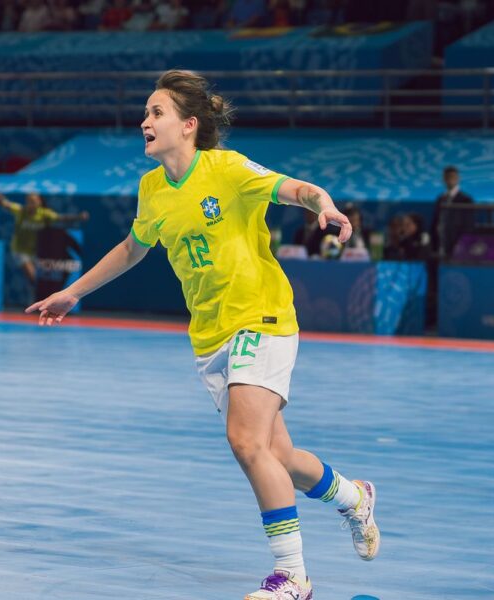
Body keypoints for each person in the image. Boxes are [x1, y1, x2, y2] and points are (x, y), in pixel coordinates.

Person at [27, 69, 379, 599]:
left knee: (244, 441)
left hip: (261, 315)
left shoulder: (228, 169)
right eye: (145, 113)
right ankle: (354, 497)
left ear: (189, 125)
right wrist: (73, 292)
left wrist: (324, 205)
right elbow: (131, 249)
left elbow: (297, 189)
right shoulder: (152, 189)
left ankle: (292, 577)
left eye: (156, 113)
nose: (144, 121)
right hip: (210, 335)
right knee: (276, 457)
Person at [0, 187, 89, 286]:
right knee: (33, 276)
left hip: (36, 251)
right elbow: (4, 203)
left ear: (39, 202)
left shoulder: (45, 214)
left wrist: (79, 217)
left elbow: (61, 218)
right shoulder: (21, 211)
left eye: (34, 201)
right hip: (19, 250)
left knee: (41, 279)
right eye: (29, 201)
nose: (32, 204)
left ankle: (37, 298)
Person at [430, 165, 474, 258]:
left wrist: (464, 242)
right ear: (443, 179)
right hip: (441, 241)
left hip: (457, 241)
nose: (450, 179)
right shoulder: (441, 198)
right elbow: (436, 220)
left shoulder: (465, 199)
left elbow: (468, 223)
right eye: (447, 177)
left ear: (458, 178)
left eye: (453, 177)